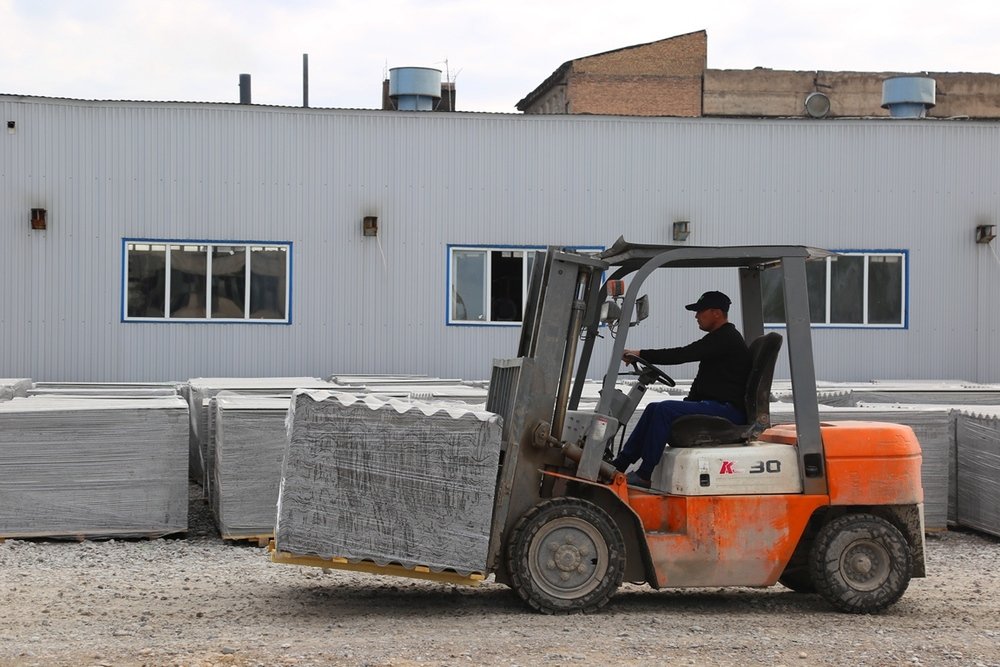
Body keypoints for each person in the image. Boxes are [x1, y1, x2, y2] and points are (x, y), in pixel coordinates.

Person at [611, 290, 752, 488]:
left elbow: (682, 354)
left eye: (700, 311)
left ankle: (644, 474)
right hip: (717, 405)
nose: (696, 316)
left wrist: (642, 353)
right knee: (653, 408)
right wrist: (686, 404)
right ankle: (619, 465)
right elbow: (702, 381)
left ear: (716, 313)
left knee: (664, 410)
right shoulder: (719, 340)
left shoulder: (725, 338)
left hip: (728, 411)